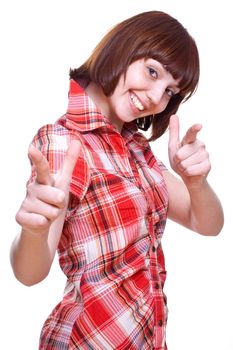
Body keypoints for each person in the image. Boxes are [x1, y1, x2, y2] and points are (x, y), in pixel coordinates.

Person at [10, 10, 224, 350]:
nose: (156, 97)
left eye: (170, 91)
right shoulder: (67, 144)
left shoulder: (137, 151)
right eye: (151, 71)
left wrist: (196, 182)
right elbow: (29, 272)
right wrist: (35, 231)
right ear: (122, 49)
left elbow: (208, 223)